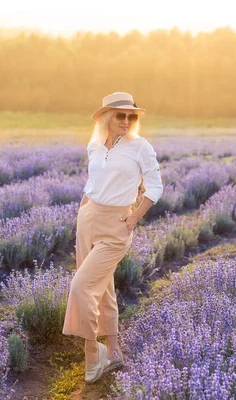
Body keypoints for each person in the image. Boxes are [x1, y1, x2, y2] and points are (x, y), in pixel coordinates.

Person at [62, 92, 163, 384]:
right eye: (121, 115)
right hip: (88, 219)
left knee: (81, 286)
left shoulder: (140, 147)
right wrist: (84, 209)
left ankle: (93, 351)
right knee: (103, 288)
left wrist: (134, 217)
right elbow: (92, 183)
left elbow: (155, 187)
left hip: (117, 224)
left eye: (132, 116)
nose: (127, 121)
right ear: (107, 116)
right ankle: (114, 352)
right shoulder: (94, 146)